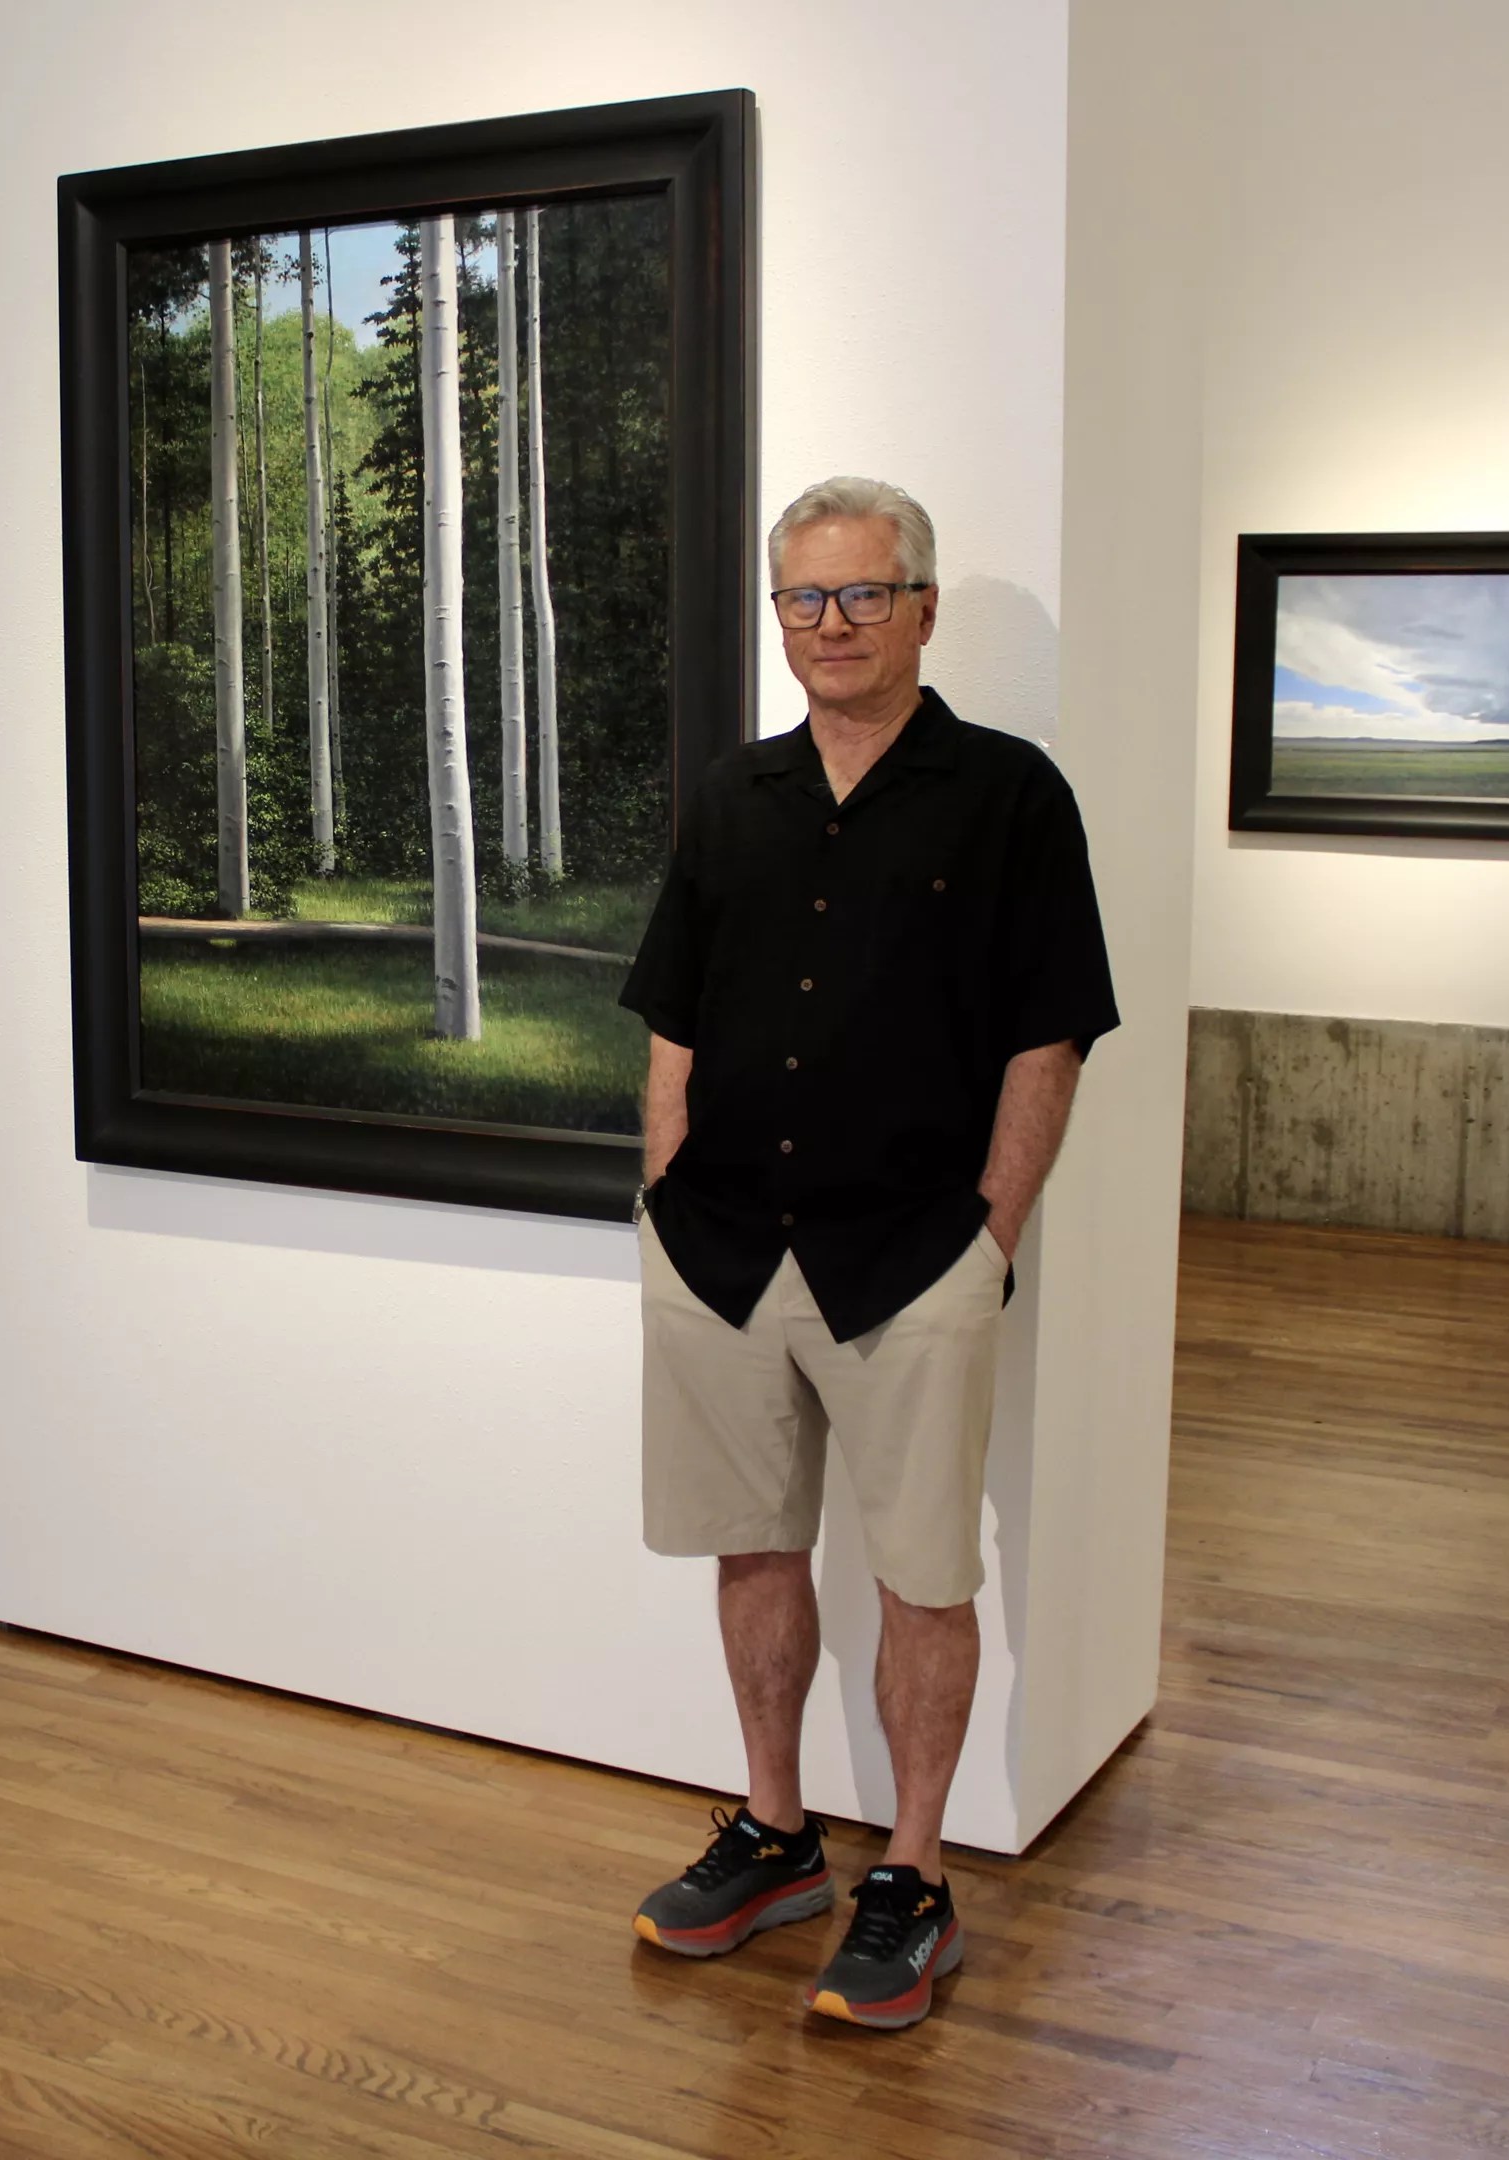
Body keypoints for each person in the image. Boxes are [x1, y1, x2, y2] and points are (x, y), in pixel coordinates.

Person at [616, 475, 1118, 2029]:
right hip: (721, 1251)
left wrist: (990, 1237)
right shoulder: (733, 796)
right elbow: (675, 1019)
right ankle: (777, 1837)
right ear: (779, 616)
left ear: (923, 609)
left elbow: (1051, 1036)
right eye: (804, 599)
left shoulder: (1011, 797)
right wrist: (662, 1190)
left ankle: (913, 1875)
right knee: (752, 1549)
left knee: (923, 1580)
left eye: (863, 595)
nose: (831, 625)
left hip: (912, 1261)